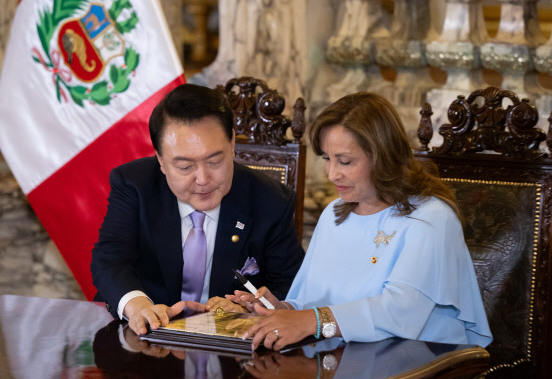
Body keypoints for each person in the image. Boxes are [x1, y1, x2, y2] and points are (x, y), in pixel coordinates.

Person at [227, 92, 493, 351]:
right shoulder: (334, 212)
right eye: (327, 159)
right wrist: (282, 310)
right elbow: (313, 302)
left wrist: (310, 321)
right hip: (340, 360)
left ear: (383, 156)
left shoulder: (432, 218)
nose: (332, 174)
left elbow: (400, 313)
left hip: (417, 361)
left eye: (345, 161)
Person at [91, 83, 305, 336]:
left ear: (233, 142)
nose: (203, 179)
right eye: (184, 167)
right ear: (160, 159)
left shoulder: (271, 200)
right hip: (146, 339)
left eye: (215, 161)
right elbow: (110, 259)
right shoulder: (134, 184)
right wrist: (137, 305)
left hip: (232, 351)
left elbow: (291, 285)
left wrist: (249, 309)